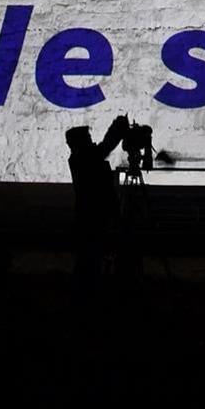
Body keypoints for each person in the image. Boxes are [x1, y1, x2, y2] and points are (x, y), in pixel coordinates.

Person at [65, 115, 129, 294]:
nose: (92, 142)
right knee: (89, 259)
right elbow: (104, 148)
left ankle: (86, 291)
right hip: (92, 218)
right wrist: (117, 129)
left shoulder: (81, 157)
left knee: (90, 258)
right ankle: (86, 293)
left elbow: (102, 149)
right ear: (79, 143)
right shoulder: (82, 159)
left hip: (91, 217)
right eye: (88, 139)